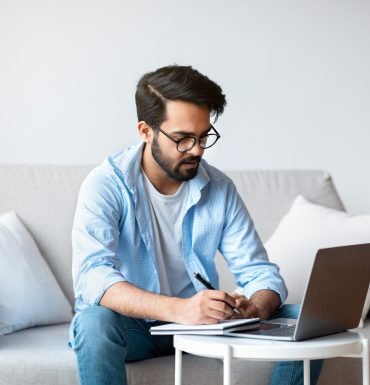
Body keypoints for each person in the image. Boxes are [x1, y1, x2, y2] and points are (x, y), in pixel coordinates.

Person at [70, 65, 322, 385]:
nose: (198, 150)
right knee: (94, 322)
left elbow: (260, 273)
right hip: (134, 328)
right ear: (146, 131)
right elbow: (93, 277)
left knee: (308, 318)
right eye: (183, 139)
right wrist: (181, 310)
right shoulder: (106, 185)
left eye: (204, 136)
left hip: (204, 329)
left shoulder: (219, 188)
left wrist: (253, 308)